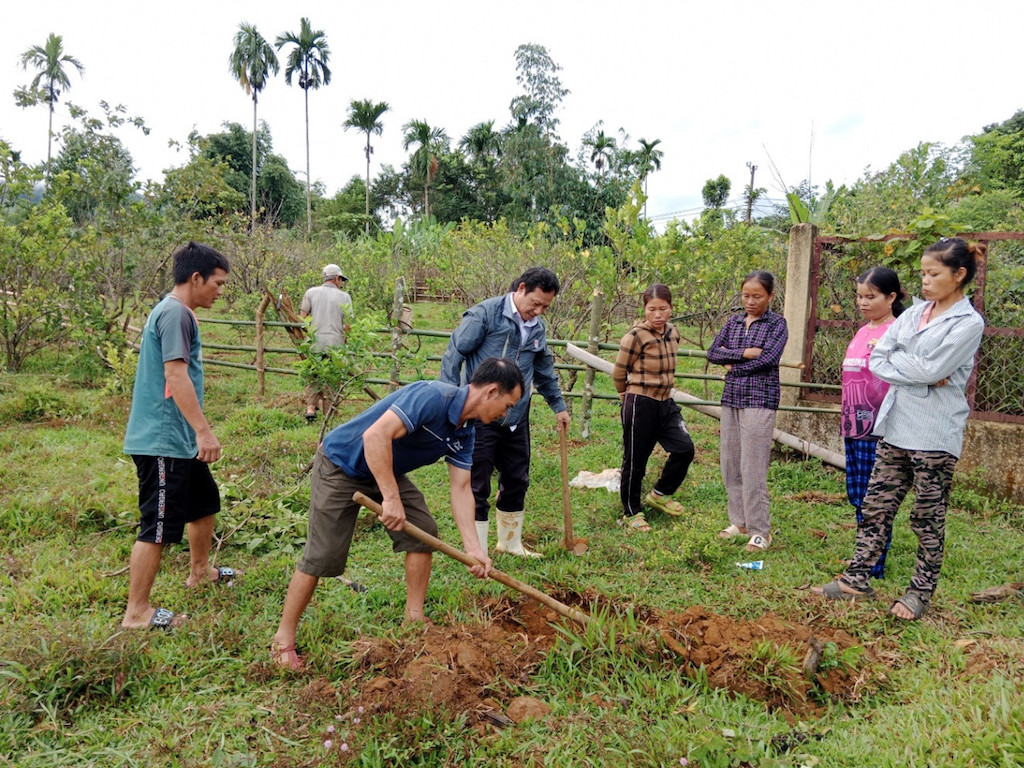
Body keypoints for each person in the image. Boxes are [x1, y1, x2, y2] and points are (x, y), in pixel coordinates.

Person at [271, 358, 525, 669]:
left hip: (384, 467)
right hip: (341, 464)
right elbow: (375, 437)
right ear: (491, 391)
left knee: (423, 533)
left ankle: (414, 617)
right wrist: (391, 498)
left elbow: (461, 489)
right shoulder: (432, 397)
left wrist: (473, 549)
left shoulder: (466, 432)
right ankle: (283, 638)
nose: (506, 414)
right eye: (508, 404)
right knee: (323, 556)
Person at [813, 238, 985, 620]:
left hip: (934, 436)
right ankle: (855, 581)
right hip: (895, 427)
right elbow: (881, 359)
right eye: (923, 273)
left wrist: (916, 367)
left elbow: (928, 369)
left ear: (959, 275)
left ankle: (918, 593)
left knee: (927, 517)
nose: (925, 281)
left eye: (934, 273)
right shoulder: (915, 313)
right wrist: (919, 371)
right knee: (876, 507)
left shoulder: (968, 323)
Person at [121, 242, 232, 630]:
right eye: (217, 283)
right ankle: (137, 612)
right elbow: (175, 375)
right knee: (157, 524)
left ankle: (200, 572)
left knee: (204, 502)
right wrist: (204, 431)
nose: (220, 291)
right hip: (163, 441)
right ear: (196, 277)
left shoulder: (178, 313)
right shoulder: (174, 314)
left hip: (177, 440)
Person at [440, 267, 571, 557]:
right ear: (521, 288)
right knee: (477, 479)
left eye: (545, 307)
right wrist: (448, 397)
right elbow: (454, 354)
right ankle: (477, 550)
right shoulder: (484, 315)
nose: (538, 311)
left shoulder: (537, 328)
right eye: (535, 303)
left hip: (516, 415)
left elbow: (544, 370)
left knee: (517, 478)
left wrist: (558, 406)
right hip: (481, 415)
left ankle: (511, 544)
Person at [706, 270, 789, 554]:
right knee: (730, 462)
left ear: (770, 296)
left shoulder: (777, 324)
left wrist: (733, 367)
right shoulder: (734, 321)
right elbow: (713, 352)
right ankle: (738, 523)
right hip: (732, 398)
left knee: (753, 466)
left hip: (760, 399)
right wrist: (743, 353)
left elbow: (768, 359)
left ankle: (759, 531)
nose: (750, 301)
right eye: (746, 295)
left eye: (757, 296)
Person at [612, 283, 696, 532]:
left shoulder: (673, 332)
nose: (657, 314)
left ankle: (660, 494)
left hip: (665, 402)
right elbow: (619, 370)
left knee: (684, 449)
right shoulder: (635, 336)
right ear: (645, 309)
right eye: (652, 309)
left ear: (671, 308)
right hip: (640, 401)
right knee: (636, 459)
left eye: (663, 308)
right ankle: (631, 511)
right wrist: (623, 393)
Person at [841, 266, 906, 578]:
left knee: (875, 499)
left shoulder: (897, 333)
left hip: (879, 429)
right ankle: (863, 557)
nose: (863, 302)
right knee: (857, 496)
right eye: (859, 297)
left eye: (871, 297)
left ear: (891, 297)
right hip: (853, 426)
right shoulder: (862, 331)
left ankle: (873, 565)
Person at [300, 263, 353, 422]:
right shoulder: (344, 297)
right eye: (341, 279)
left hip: (314, 342)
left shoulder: (311, 292)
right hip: (335, 344)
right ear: (337, 278)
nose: (341, 283)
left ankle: (310, 408)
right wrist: (345, 341)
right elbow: (348, 324)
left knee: (313, 375)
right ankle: (328, 414)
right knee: (332, 378)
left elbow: (302, 318)